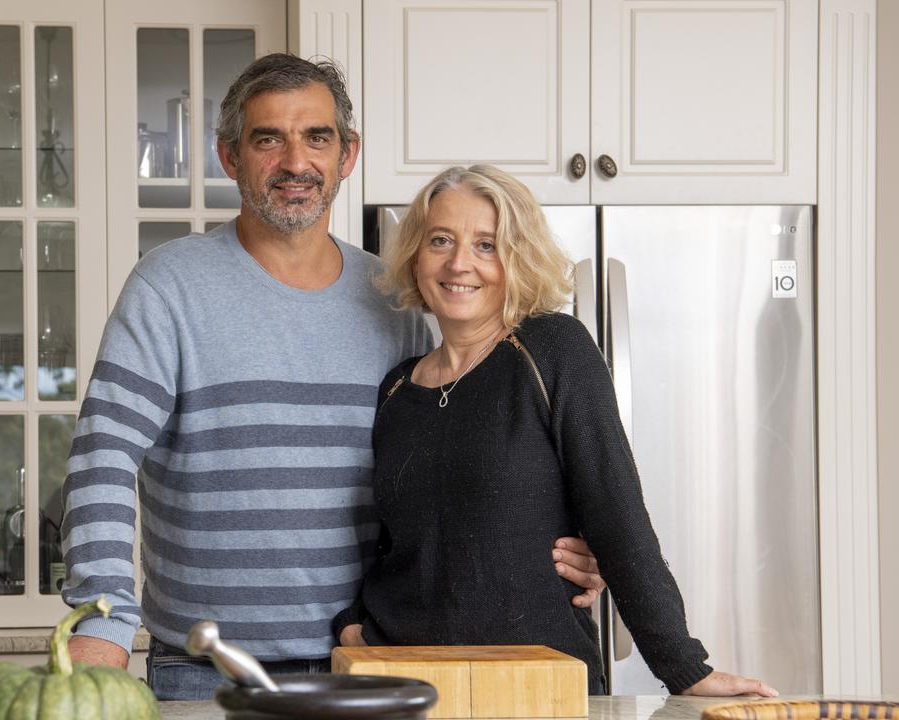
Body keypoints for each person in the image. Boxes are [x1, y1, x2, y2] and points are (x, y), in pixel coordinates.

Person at [61, 54, 605, 701]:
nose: (296, 162)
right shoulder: (167, 288)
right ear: (230, 156)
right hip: (206, 670)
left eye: (317, 137)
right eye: (269, 139)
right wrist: (103, 622)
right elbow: (103, 460)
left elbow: (451, 477)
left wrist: (548, 544)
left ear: (347, 155)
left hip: (371, 662)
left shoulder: (395, 300)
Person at [331, 164, 777, 697]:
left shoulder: (552, 349)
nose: (459, 263)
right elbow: (392, 541)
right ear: (415, 255)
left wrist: (683, 666)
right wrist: (355, 622)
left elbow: (616, 511)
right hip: (404, 684)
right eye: (441, 240)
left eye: (487, 245)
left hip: (541, 683)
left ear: (517, 258)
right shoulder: (397, 389)